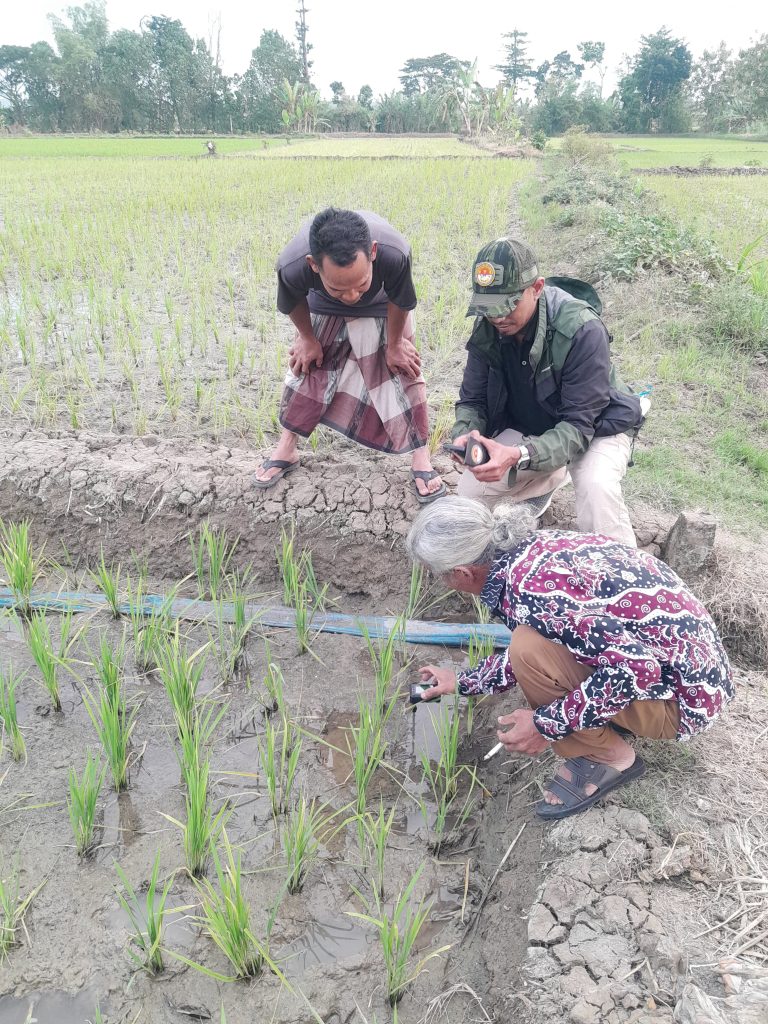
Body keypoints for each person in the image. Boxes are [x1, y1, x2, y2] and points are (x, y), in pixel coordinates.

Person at [406, 496, 734, 820]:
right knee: (528, 646)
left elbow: (635, 669)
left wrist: (544, 725)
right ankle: (607, 723)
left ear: (463, 572)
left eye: (439, 574)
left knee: (525, 647)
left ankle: (610, 756)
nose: (442, 582)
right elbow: (558, 640)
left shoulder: (532, 591)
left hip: (683, 702)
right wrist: (462, 681)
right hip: (691, 674)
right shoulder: (530, 552)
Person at [451, 237, 643, 546]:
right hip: (536, 426)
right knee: (471, 493)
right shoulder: (489, 326)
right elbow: (473, 400)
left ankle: (623, 570)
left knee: (596, 488)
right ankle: (543, 484)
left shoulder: (582, 330)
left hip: (595, 427)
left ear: (537, 288)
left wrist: (518, 455)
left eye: (508, 305)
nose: (497, 317)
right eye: (489, 308)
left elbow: (578, 428)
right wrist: (465, 434)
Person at [255, 208, 444, 503]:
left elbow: (401, 299)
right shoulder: (293, 265)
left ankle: (421, 457)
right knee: (308, 367)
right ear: (313, 265)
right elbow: (292, 300)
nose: (353, 296)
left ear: (373, 253)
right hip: (322, 305)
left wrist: (395, 344)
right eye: (340, 288)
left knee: (403, 369)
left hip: (383, 304)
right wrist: (308, 339)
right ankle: (287, 448)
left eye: (361, 283)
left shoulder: (394, 253)